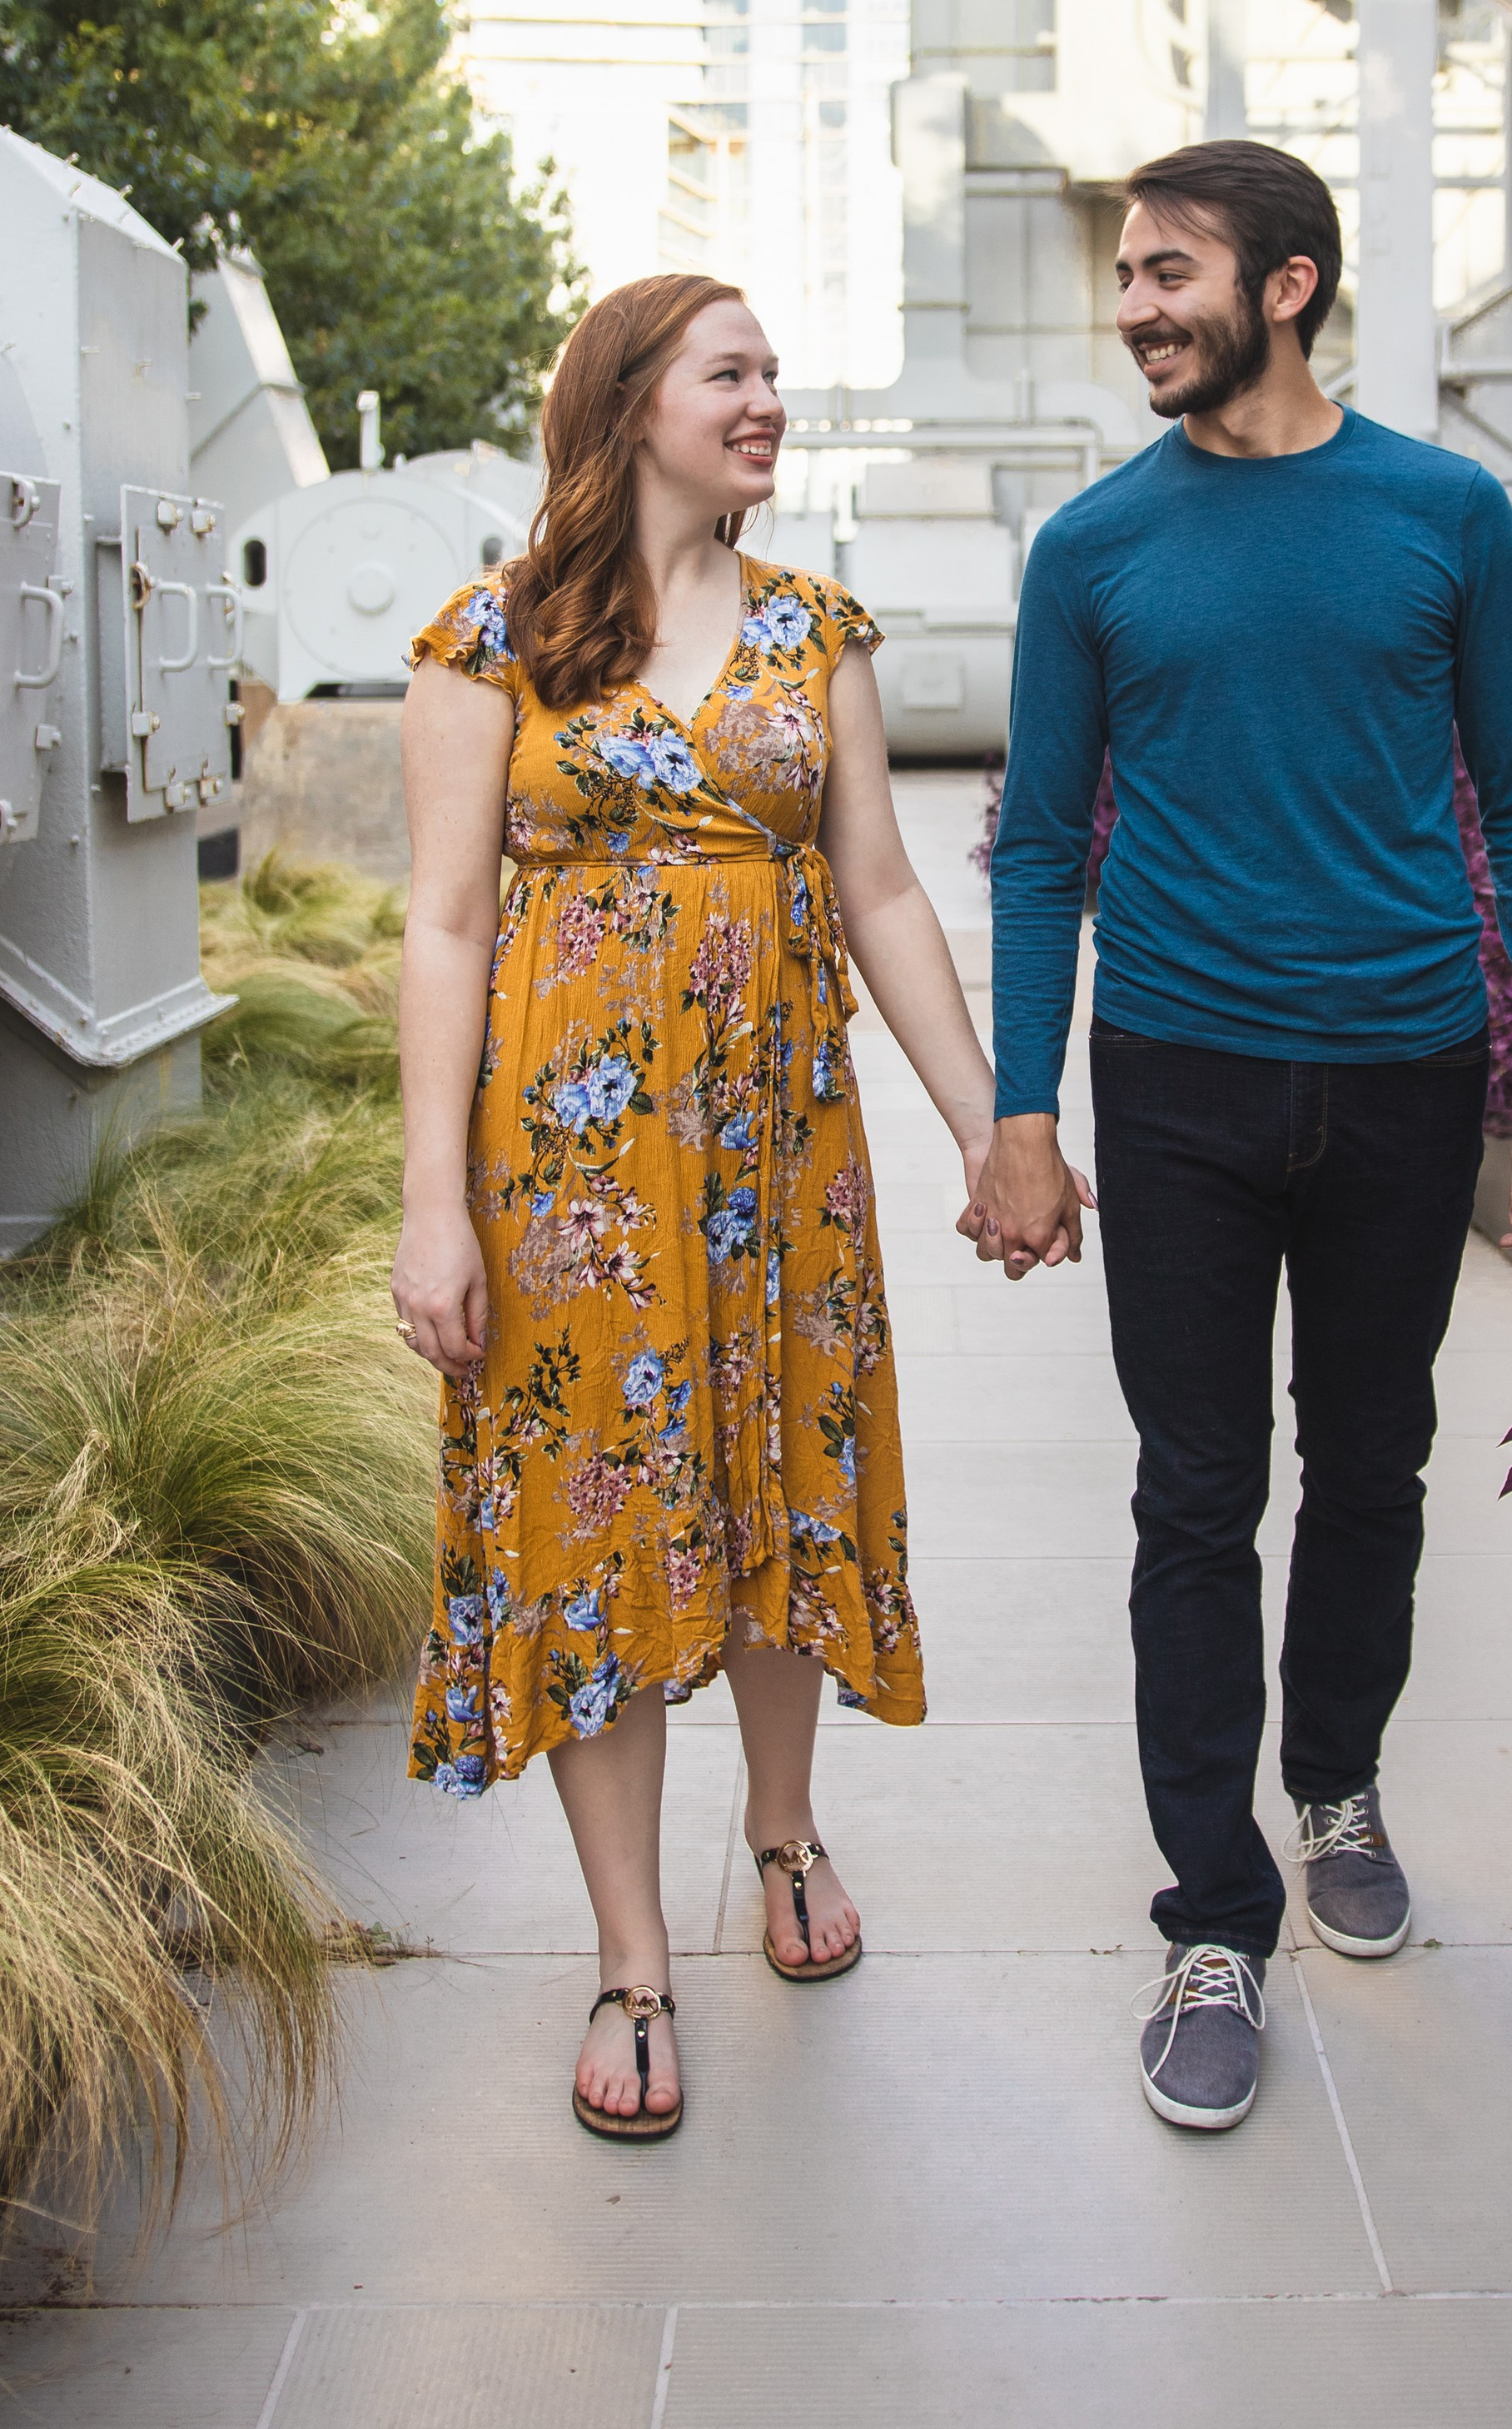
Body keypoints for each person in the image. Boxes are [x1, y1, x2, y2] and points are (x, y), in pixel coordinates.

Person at [967, 142, 1512, 2133]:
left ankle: (1331, 1778)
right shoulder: (1089, 549)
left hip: (1405, 1073)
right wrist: (1017, 1107)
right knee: (1188, 1491)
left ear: (1288, 285)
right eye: (1131, 277)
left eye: (1171, 273)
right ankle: (1210, 1919)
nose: (1139, 304)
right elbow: (1040, 853)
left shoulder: (1439, 515)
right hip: (1172, 1080)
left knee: (1375, 1460)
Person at [392, 270, 1032, 2143]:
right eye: (729, 371)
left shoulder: (813, 627)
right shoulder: (486, 642)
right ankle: (628, 1955)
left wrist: (989, 1122)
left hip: (776, 1149)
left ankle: (780, 1828)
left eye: (774, 374)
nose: (768, 399)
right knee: (605, 1516)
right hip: (570, 1177)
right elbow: (436, 929)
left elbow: (888, 895)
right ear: (626, 400)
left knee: (775, 1480)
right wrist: (434, 1203)